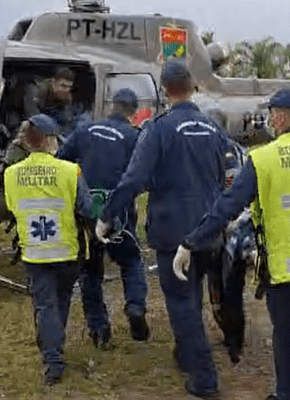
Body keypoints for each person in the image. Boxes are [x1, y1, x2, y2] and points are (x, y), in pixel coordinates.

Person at [174, 87, 290, 400]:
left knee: (287, 338)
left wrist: (191, 242)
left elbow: (227, 206)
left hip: (285, 271)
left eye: (270, 114)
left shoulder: (263, 159)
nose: (268, 119)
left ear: (279, 118)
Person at [96, 60, 230, 398]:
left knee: (182, 303)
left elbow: (134, 178)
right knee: (193, 293)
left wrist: (107, 214)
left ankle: (204, 379)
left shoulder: (159, 129)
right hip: (209, 229)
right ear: (192, 87)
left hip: (174, 231)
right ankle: (186, 355)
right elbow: (222, 177)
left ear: (165, 91)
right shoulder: (214, 129)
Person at [3, 113, 93, 385]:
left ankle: (52, 358)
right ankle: (54, 354)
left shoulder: (10, 174)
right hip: (66, 250)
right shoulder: (69, 170)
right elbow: (88, 209)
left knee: (45, 305)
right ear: (50, 140)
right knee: (62, 301)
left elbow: (12, 208)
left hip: (34, 252)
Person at [57, 88, 149, 347]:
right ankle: (135, 306)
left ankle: (99, 330)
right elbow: (143, 176)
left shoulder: (85, 130)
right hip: (119, 212)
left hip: (88, 212)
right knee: (131, 261)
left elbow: (60, 162)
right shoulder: (134, 136)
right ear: (132, 112)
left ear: (112, 106)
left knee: (90, 271)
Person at [24, 67, 89, 136]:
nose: (66, 90)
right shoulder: (36, 91)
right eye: (63, 85)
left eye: (69, 87)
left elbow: (68, 121)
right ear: (53, 82)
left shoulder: (67, 96)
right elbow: (34, 119)